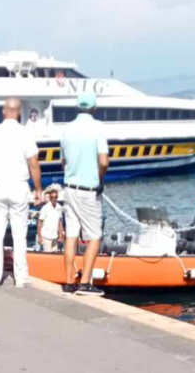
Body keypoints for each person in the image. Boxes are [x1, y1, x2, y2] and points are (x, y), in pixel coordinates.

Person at [0, 98, 42, 288]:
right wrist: (38, 189)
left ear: (3, 111)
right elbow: (34, 164)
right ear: (19, 112)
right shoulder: (26, 134)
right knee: (19, 235)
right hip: (19, 187)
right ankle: (21, 278)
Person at [60, 92, 109, 296]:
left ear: (76, 108)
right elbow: (104, 161)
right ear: (94, 108)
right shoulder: (98, 127)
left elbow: (63, 162)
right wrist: (99, 178)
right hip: (88, 190)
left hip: (69, 188)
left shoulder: (67, 129)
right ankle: (85, 283)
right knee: (95, 236)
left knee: (71, 234)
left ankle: (69, 281)